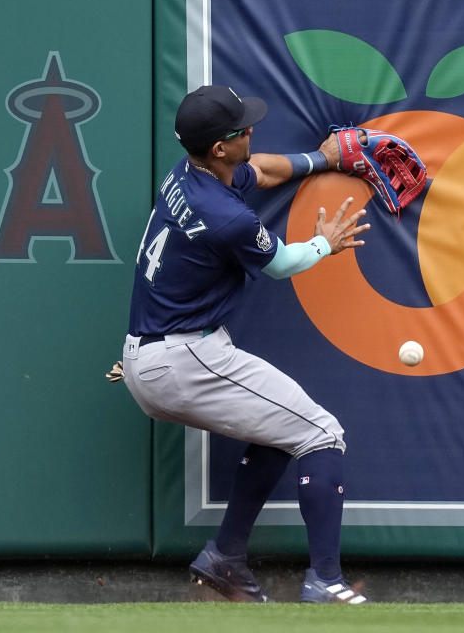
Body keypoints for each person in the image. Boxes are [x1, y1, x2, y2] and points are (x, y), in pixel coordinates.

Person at [120, 85, 370, 604]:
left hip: (154, 350)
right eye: (241, 130)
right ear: (218, 148)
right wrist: (328, 241)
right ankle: (326, 582)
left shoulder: (187, 175)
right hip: (184, 357)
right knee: (322, 433)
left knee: (281, 431)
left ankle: (226, 559)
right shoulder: (223, 213)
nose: (251, 131)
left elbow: (264, 170)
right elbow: (279, 263)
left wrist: (320, 159)